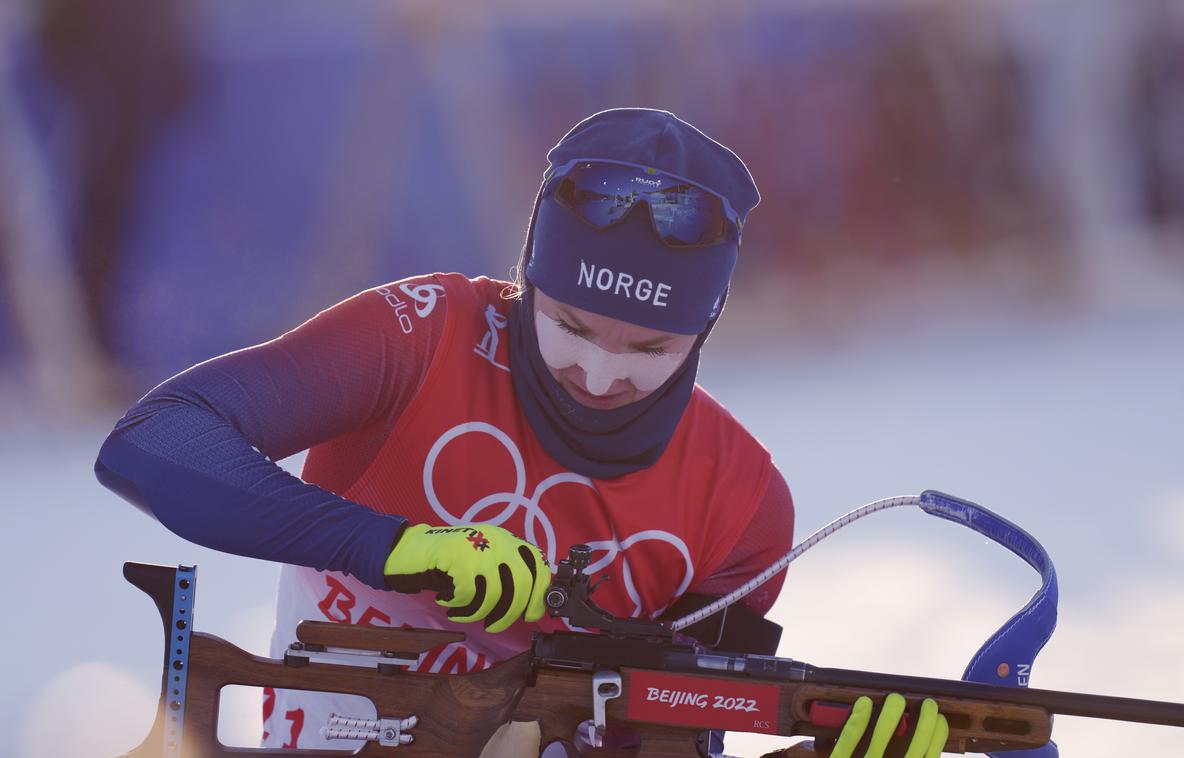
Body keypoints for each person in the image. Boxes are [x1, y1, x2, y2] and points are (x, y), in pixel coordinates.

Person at [95, 108, 946, 756]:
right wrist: (395, 547)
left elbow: (663, 738)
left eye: (651, 348)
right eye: (570, 326)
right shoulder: (422, 336)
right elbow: (153, 440)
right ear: (527, 277)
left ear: (708, 328)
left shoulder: (744, 505)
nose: (602, 375)